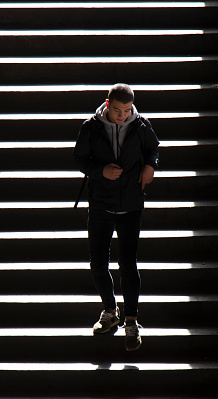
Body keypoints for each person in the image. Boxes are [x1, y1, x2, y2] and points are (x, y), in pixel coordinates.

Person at [73, 83, 159, 351]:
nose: (123, 115)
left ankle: (131, 321)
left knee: (128, 264)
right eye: (118, 110)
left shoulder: (141, 125)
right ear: (108, 105)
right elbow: (80, 159)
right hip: (100, 204)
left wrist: (150, 166)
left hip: (131, 204)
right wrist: (101, 171)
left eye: (127, 110)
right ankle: (110, 311)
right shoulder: (91, 126)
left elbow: (153, 148)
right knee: (98, 263)